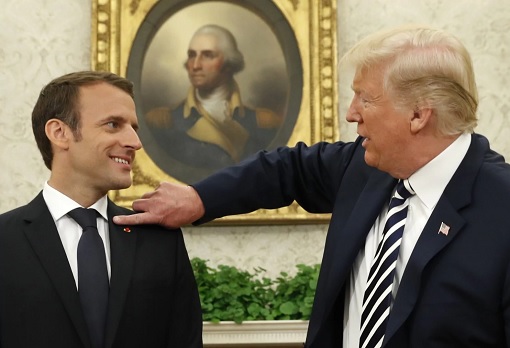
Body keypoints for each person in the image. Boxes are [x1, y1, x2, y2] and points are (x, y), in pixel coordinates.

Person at [114, 25, 510, 348]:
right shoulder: (363, 166)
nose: (351, 113)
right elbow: (283, 170)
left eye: (364, 99)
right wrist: (200, 199)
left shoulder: (502, 206)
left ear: (419, 115)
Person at [0, 71, 203, 348]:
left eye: (134, 127)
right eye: (113, 124)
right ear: (60, 133)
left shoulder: (159, 240)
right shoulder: (4, 240)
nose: (135, 142)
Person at [145, 24, 282, 175]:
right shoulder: (162, 122)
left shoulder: (264, 123)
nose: (195, 65)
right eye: (192, 55)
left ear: (228, 64)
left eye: (207, 55)